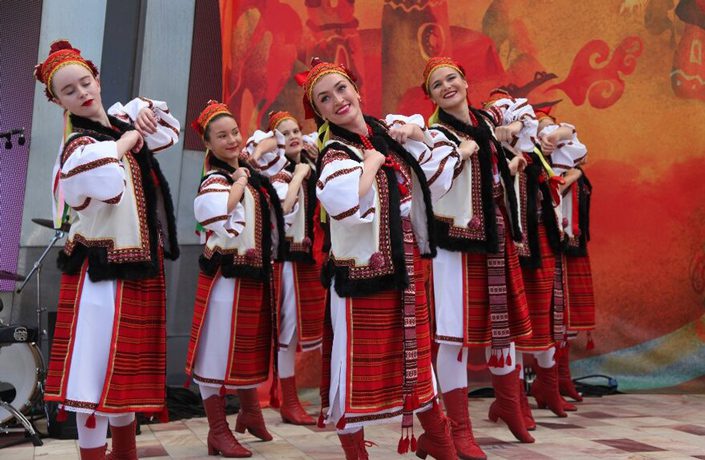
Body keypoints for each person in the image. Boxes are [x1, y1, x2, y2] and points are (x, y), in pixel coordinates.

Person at [298, 58, 459, 459]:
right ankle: (357, 453)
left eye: (341, 89)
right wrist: (369, 167)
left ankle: (438, 439)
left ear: (356, 89)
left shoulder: (386, 134)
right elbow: (345, 205)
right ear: (319, 113)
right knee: (353, 368)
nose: (337, 100)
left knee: (416, 358)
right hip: (363, 277)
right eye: (324, 99)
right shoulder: (335, 153)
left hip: (405, 268)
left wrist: (418, 133)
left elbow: (434, 181)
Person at [35, 40, 180, 460]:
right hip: (99, 272)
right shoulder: (78, 147)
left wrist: (145, 112)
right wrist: (129, 136)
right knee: (92, 375)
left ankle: (126, 453)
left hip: (137, 266)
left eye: (86, 82)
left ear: (97, 79)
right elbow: (103, 183)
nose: (83, 92)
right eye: (69, 90)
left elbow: (167, 133)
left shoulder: (118, 126)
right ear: (59, 101)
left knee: (123, 375)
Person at [422, 57, 535, 451]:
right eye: (437, 85)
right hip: (453, 244)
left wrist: (514, 130)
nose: (447, 86)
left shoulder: (486, 120)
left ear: (467, 81)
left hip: (494, 235)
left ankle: (510, 406)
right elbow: (431, 186)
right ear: (432, 97)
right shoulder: (435, 135)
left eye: (452, 78)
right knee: (453, 336)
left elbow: (524, 113)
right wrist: (463, 153)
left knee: (501, 331)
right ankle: (458, 431)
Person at [184, 100, 284, 457]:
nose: (232, 140)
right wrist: (239, 181)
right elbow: (220, 211)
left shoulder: (248, 171)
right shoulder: (215, 178)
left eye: (235, 132)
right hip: (225, 278)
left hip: (251, 274)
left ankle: (251, 412)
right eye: (222, 136)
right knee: (215, 353)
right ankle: (217, 430)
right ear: (209, 144)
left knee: (243, 347)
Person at [243, 110, 326, 425]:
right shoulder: (280, 172)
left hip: (311, 257)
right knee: (288, 332)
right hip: (288, 260)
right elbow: (285, 206)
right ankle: (288, 401)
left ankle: (320, 397)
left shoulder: (309, 164)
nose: (293, 136)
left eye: (295, 130)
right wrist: (300, 174)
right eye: (284, 132)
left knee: (314, 326)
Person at [536, 109, 593, 404]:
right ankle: (545, 380)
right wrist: (570, 178)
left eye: (550, 124)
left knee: (565, 308)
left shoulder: (566, 147)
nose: (549, 129)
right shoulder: (534, 149)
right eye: (542, 124)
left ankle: (562, 377)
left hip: (569, 233)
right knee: (549, 308)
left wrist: (560, 135)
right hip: (547, 233)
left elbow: (577, 143)